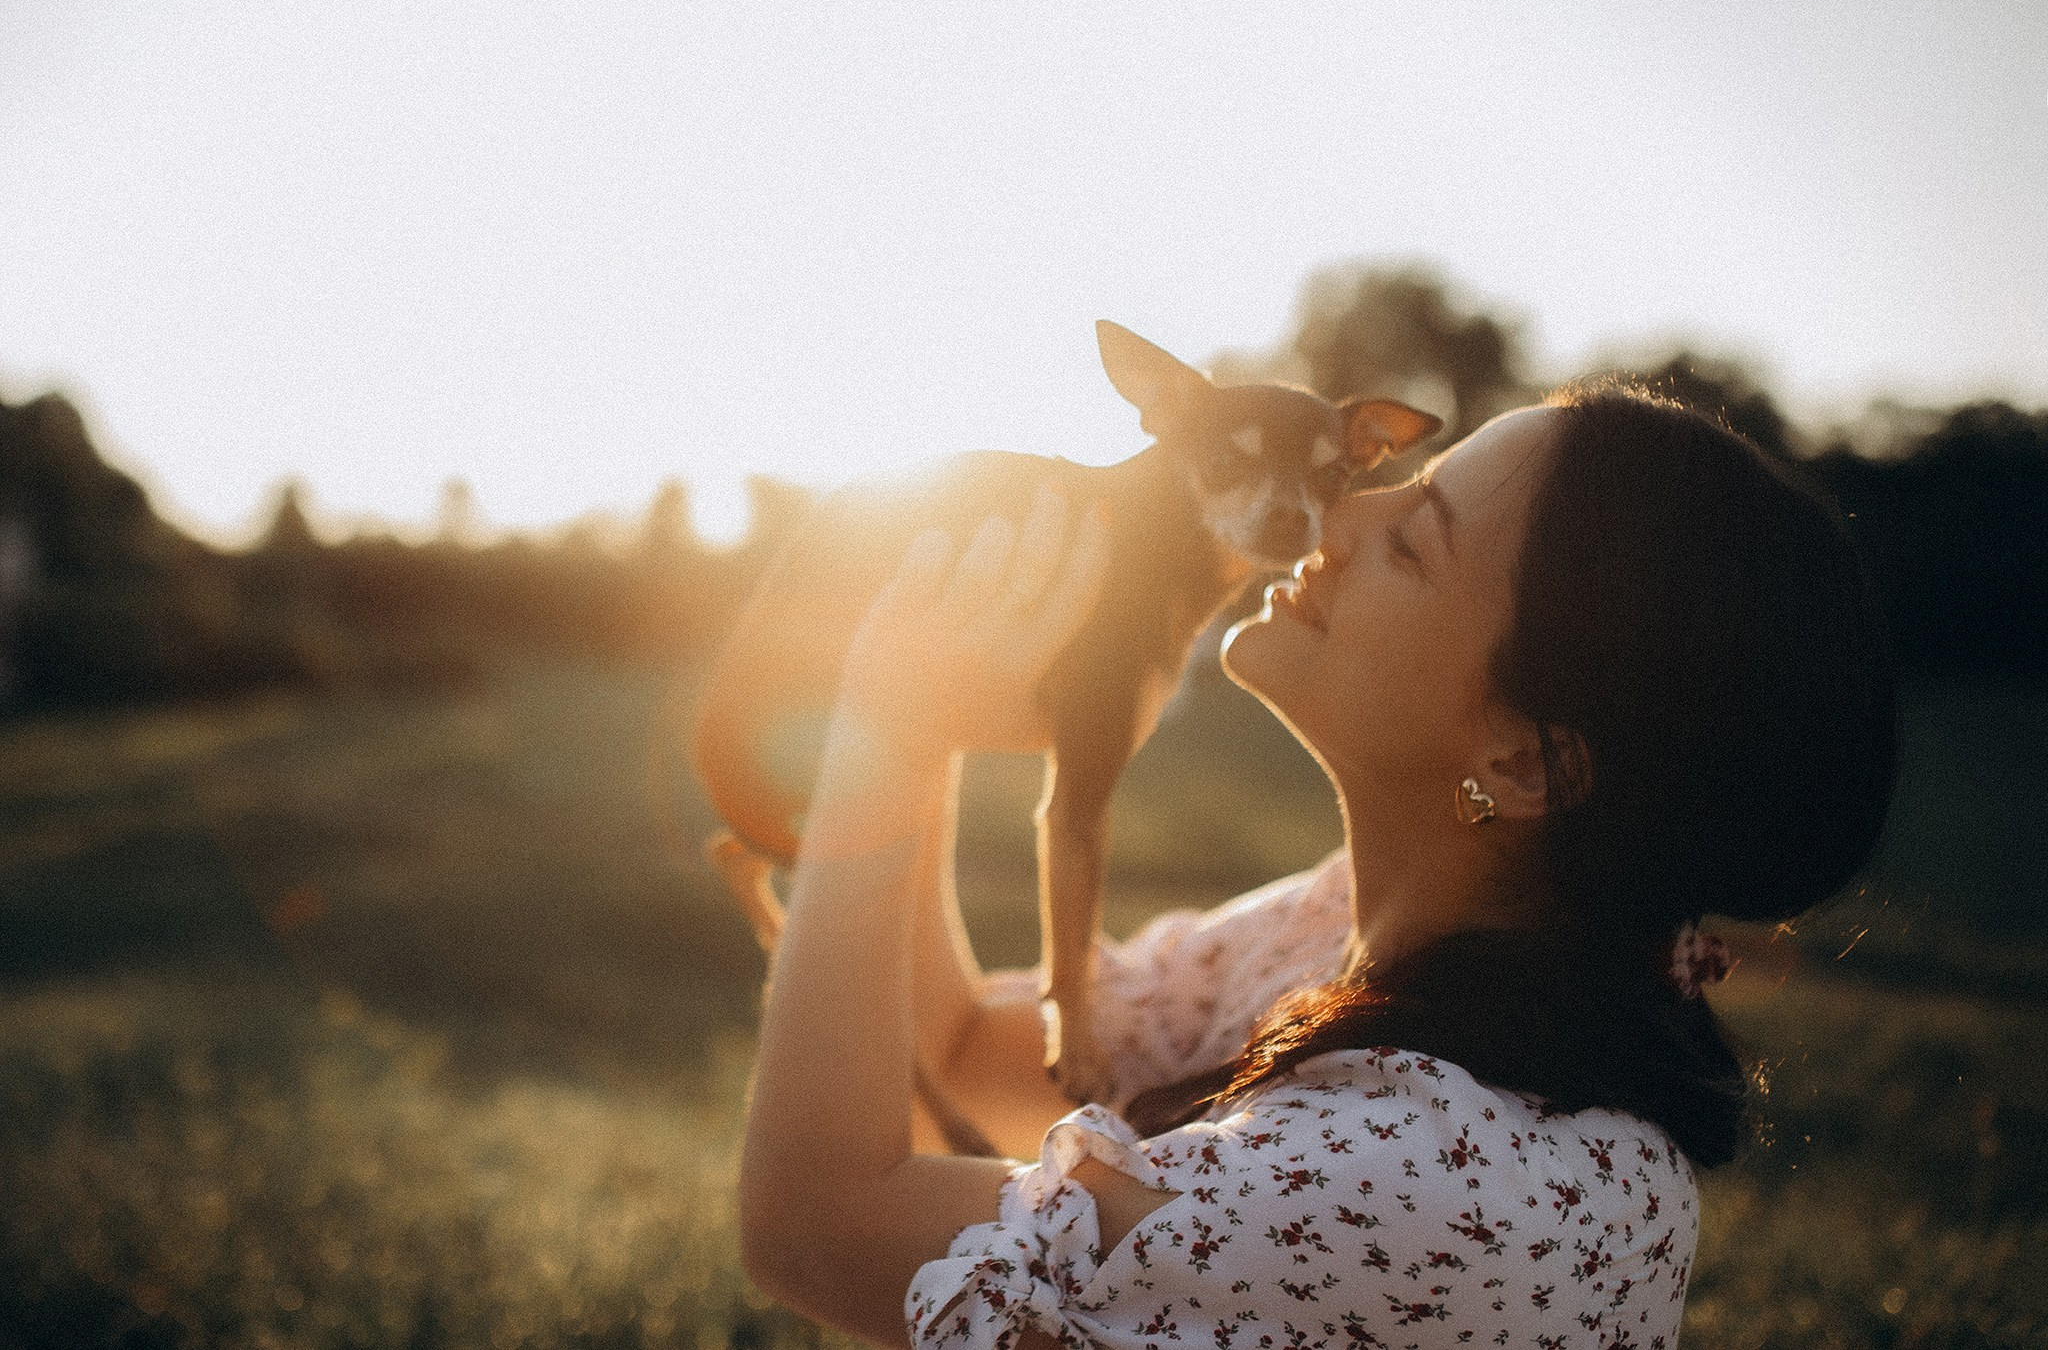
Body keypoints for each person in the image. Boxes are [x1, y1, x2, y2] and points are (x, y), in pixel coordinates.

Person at [736, 385, 1897, 1349]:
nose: (1333, 516)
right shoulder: (1348, 929)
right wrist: (927, 704)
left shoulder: (1433, 1190)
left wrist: (878, 738)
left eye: (1409, 536)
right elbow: (961, 1055)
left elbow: (814, 1224)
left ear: (1524, 761)